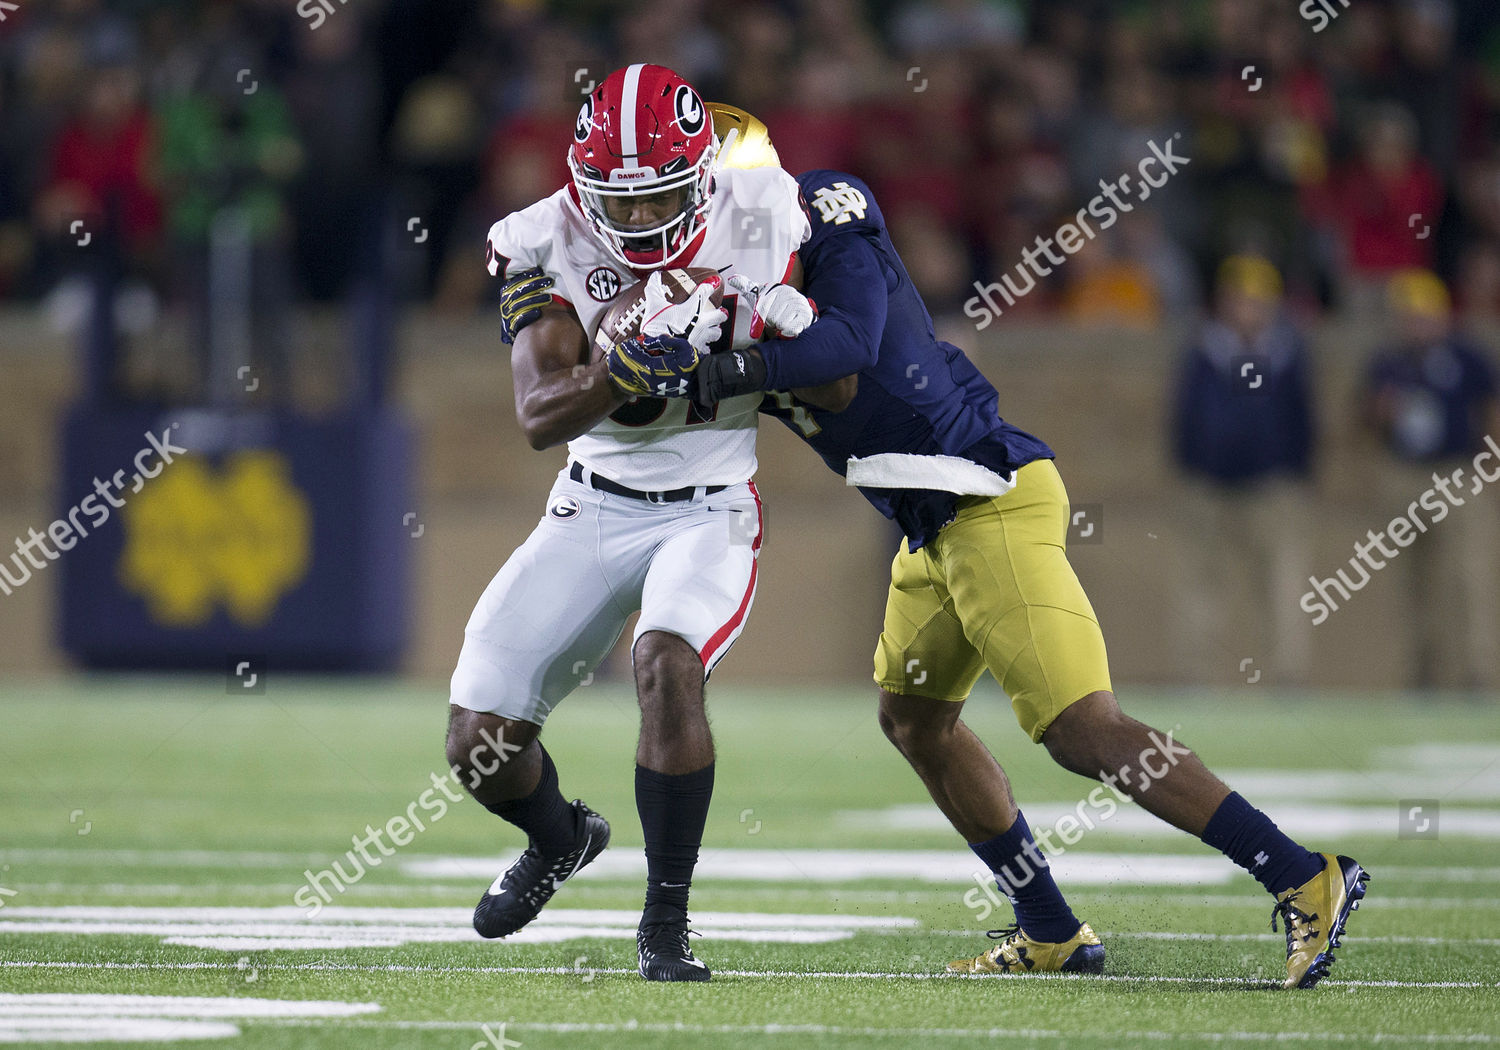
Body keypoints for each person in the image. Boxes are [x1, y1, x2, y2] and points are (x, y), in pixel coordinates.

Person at [500, 132, 1369, 989]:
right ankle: (1051, 930)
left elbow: (842, 354)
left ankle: (1299, 874)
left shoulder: (826, 217)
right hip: (927, 519)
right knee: (915, 719)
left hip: (985, 494)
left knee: (1082, 729)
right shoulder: (723, 284)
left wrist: (710, 367)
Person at [450, 65, 816, 983]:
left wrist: (758, 336)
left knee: (666, 662)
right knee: (479, 743)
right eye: (623, 201)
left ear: (700, 172)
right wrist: (627, 369)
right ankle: (561, 837)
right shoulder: (540, 238)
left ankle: (664, 921)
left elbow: (823, 359)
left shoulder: (764, 204)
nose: (643, 221)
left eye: (659, 197)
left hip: (710, 501)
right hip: (592, 495)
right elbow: (539, 414)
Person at [1171, 255, 1316, 684]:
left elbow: (1302, 420)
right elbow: (1183, 417)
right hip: (1209, 486)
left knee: (1284, 584)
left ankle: (1290, 674)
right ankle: (1196, 675)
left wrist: (1295, 473)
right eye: (1238, 299)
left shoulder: (1287, 353)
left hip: (1273, 487)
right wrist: (1191, 467)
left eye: (1255, 300)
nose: (1245, 309)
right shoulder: (1204, 351)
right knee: (1199, 584)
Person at [1360, 269, 1500, 689]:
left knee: (1468, 579)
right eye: (1409, 315)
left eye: (1424, 315)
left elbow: (1490, 408)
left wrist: (1488, 466)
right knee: (1410, 584)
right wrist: (1379, 413)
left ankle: (1476, 674)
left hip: (1456, 474)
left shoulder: (1467, 356)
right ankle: (1422, 678)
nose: (1416, 323)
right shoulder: (1388, 361)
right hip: (1404, 475)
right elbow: (1365, 420)